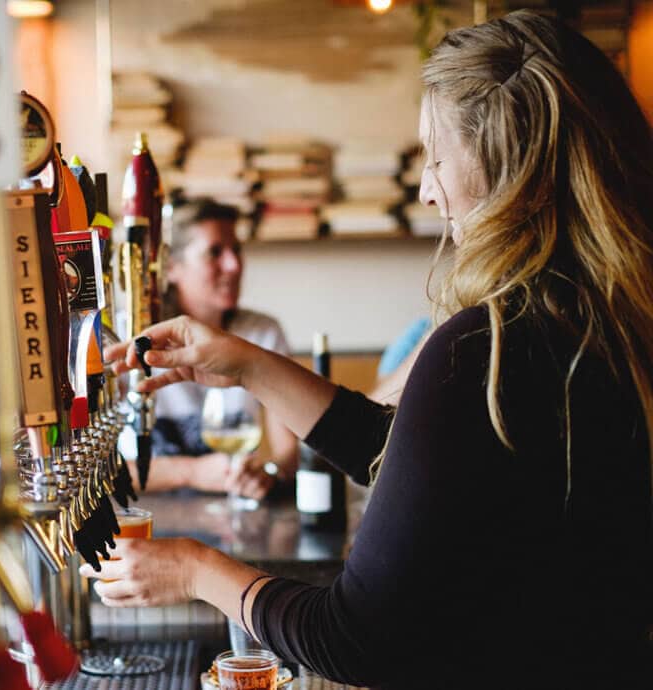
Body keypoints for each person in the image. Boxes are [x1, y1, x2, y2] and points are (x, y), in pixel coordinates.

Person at [94, 12, 653, 689]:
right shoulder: (598, 322)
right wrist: (247, 366)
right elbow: (417, 456)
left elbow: (356, 638)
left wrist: (195, 569)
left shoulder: (491, 346)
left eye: (435, 157)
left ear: (513, 171)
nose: (425, 188)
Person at [126, 199, 298, 499]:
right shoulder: (132, 338)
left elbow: (288, 454)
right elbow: (95, 474)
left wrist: (265, 474)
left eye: (237, 250)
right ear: (171, 268)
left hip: (231, 520)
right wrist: (192, 472)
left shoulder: (263, 333)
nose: (234, 265)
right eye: (214, 252)